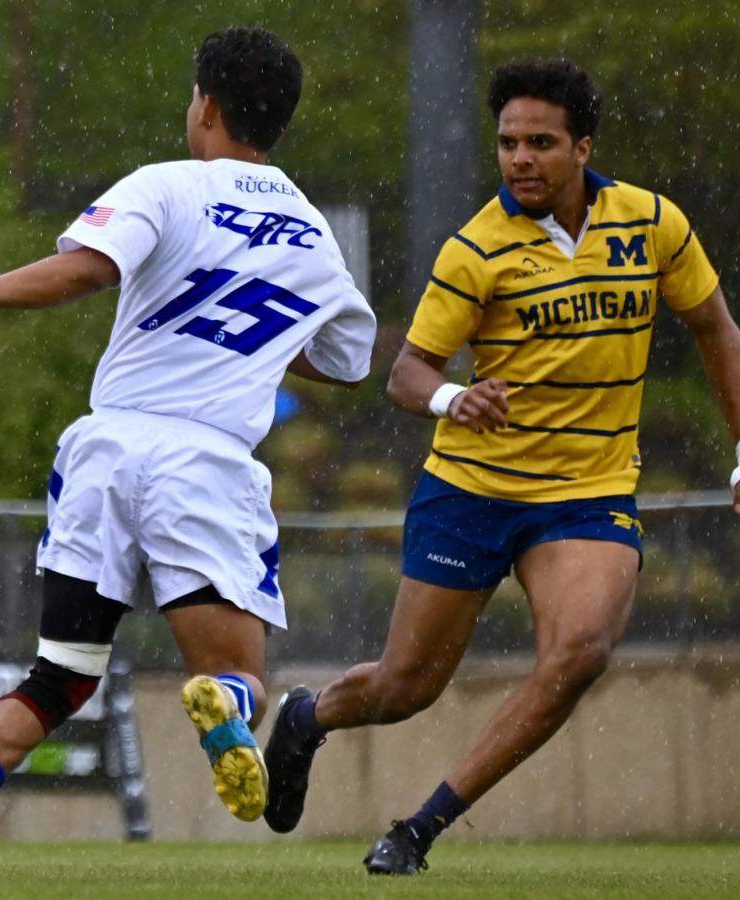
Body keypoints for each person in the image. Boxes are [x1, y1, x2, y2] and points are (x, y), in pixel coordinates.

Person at [0, 26, 376, 880]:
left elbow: (85, 271)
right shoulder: (311, 234)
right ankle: (230, 706)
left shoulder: (165, 186)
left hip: (107, 448)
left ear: (206, 105)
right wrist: (247, 346)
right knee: (238, 675)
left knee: (62, 673)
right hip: (206, 465)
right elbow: (345, 361)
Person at [259, 58, 740, 876]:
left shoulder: (654, 225)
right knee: (403, 690)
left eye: (540, 142)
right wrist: (453, 399)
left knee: (580, 650)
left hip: (587, 495)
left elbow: (717, 329)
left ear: (583, 147)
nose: (519, 158)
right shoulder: (477, 247)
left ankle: (418, 829)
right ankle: (308, 718)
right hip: (471, 492)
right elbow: (407, 373)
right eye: (508, 142)